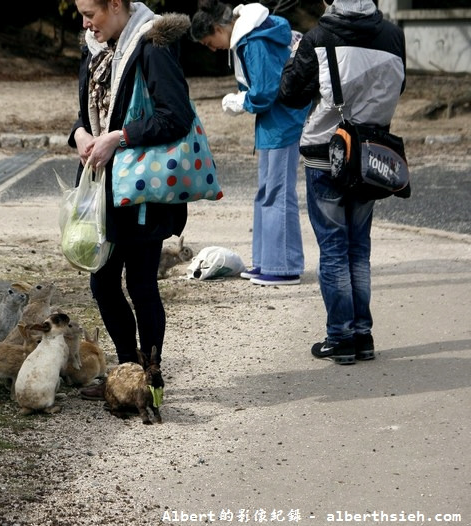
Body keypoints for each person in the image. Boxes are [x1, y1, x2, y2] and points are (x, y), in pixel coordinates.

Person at [68, 0, 193, 399]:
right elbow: (86, 115)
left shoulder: (153, 44)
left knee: (141, 284)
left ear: (117, 5)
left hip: (143, 191)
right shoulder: (96, 49)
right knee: (103, 282)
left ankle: (149, 376)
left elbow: (175, 115)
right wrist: (80, 135)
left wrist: (118, 137)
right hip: (103, 186)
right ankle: (127, 370)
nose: (86, 22)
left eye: (91, 13)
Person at [278, 0, 406, 364]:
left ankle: (341, 337)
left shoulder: (319, 36)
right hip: (370, 155)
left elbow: (289, 93)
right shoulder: (394, 36)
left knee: (334, 249)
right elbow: (399, 87)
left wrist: (295, 57)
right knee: (358, 248)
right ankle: (362, 334)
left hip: (326, 154)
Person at [191, 0, 308, 287]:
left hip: (281, 122)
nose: (212, 48)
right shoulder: (252, 36)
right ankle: (268, 262)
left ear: (219, 28)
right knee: (268, 192)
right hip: (275, 123)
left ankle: (283, 267)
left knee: (277, 192)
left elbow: (265, 91)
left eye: (209, 41)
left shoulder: (253, 40)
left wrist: (242, 100)